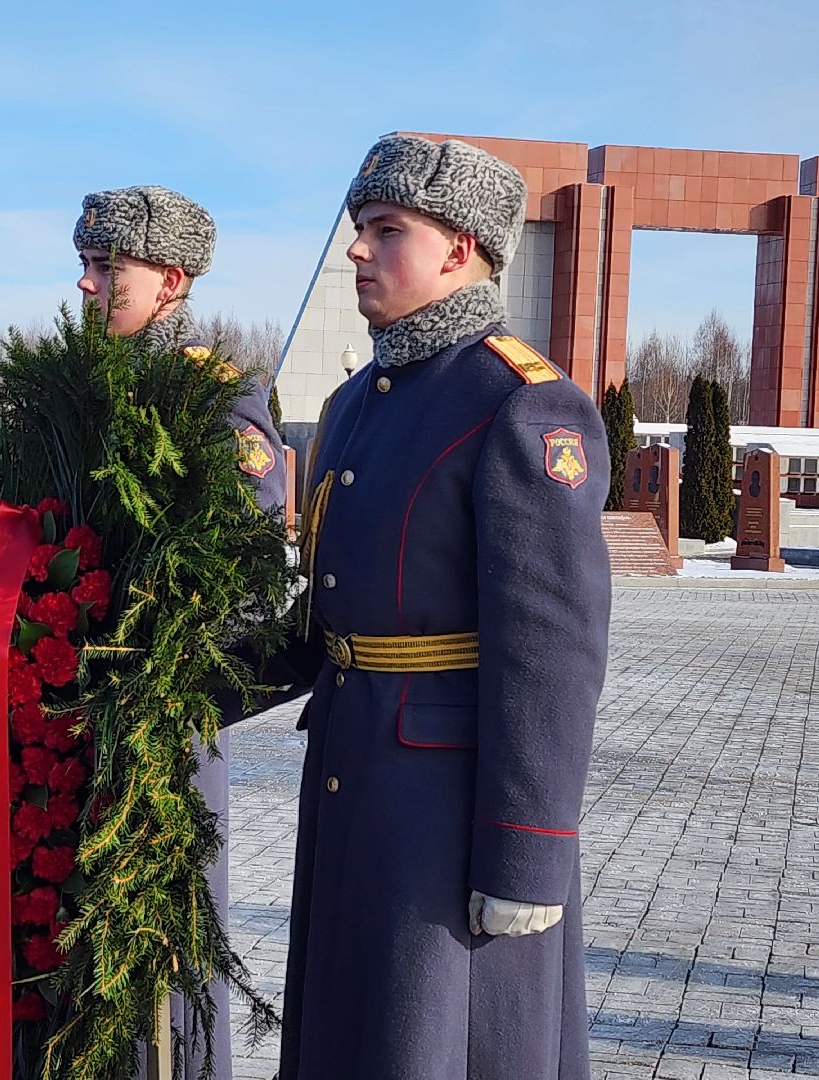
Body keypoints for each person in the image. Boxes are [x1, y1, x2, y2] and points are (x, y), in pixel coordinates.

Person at [276, 135, 611, 1079]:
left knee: (432, 1044)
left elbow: (552, 648)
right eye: (360, 228)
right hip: (352, 776)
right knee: (347, 1038)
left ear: (461, 249)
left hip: (446, 813)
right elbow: (328, 622)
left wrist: (527, 855)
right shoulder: (355, 404)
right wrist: (173, 687)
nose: (357, 249)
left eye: (387, 230)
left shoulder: (519, 403)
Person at [74, 185, 286, 1080]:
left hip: (161, 732)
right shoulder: (79, 386)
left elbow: (251, 577)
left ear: (170, 280)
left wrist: (154, 662)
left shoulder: (216, 402)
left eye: (106, 266)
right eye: (84, 264)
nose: (86, 285)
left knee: (160, 974)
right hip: (65, 720)